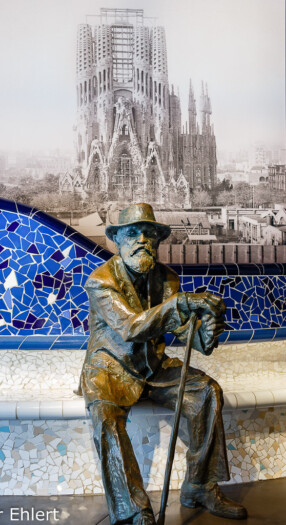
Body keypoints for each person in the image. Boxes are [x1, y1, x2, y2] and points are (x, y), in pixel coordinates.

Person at [79, 203, 247, 525]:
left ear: (157, 241)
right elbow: (131, 327)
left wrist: (205, 331)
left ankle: (199, 485)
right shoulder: (101, 281)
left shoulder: (167, 279)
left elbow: (185, 333)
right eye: (133, 233)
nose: (142, 239)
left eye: (149, 234)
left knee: (207, 393)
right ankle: (134, 509)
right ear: (118, 240)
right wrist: (181, 304)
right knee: (105, 414)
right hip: (110, 369)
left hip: (153, 368)